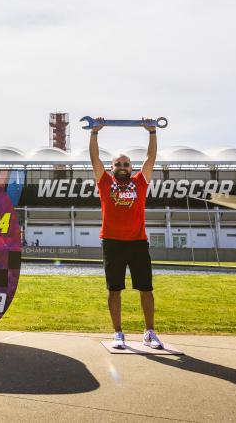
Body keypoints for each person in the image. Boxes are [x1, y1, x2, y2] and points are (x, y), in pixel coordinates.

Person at [89, 117, 163, 350]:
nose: (122, 167)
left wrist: (152, 132)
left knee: (146, 289)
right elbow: (94, 158)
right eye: (118, 164)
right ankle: (118, 333)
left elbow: (151, 158)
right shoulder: (104, 182)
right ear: (112, 168)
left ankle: (149, 332)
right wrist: (94, 133)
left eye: (126, 164)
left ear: (131, 168)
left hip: (138, 242)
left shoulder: (140, 182)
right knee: (114, 289)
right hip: (112, 243)